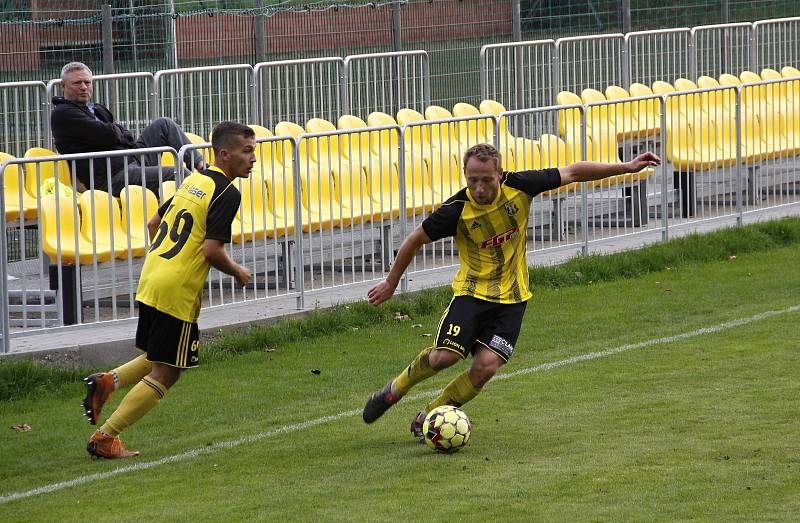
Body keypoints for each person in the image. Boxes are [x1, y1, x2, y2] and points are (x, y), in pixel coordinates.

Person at [362, 143, 661, 439]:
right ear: (465, 176)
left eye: (486, 180)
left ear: (500, 174)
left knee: (485, 368)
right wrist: (391, 283)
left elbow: (572, 172)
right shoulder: (456, 210)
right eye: (472, 180)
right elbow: (414, 239)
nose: (479, 188)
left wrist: (625, 167)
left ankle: (431, 416)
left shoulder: (520, 186)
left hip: (513, 299)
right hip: (472, 293)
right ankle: (394, 390)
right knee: (445, 358)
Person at [82, 121, 254, 459]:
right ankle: (105, 437)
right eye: (247, 151)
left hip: (153, 276)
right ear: (224, 154)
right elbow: (211, 250)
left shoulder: (195, 180)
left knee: (159, 354)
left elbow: (153, 223)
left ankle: (108, 382)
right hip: (177, 288)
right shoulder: (226, 192)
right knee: (168, 371)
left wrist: (163, 261)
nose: (253, 158)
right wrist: (238, 272)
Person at [50, 61, 204, 196]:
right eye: (77, 83)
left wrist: (116, 132)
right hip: (111, 176)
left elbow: (120, 134)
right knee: (177, 173)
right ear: (63, 86)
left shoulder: (97, 109)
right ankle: (204, 201)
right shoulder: (63, 113)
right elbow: (108, 134)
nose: (83, 87)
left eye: (87, 82)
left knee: (164, 124)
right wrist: (116, 132)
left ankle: (203, 168)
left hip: (130, 160)